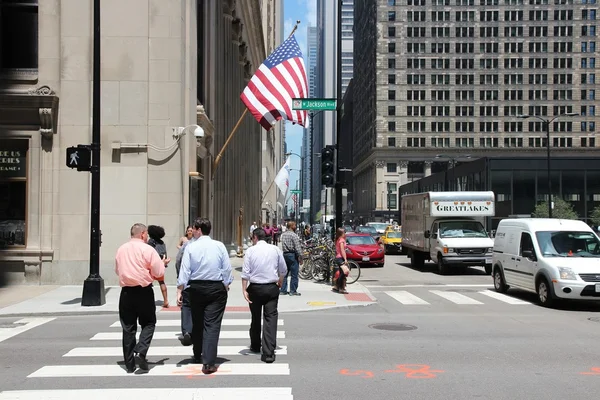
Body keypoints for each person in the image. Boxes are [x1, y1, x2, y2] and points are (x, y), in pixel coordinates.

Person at [177, 217, 233, 374]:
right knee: (212, 325)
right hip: (216, 287)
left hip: (196, 287)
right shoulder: (219, 246)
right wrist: (226, 283)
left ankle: (197, 354)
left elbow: (185, 270)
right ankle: (208, 362)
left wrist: (180, 288)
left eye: (194, 229)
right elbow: (227, 268)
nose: (192, 231)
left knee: (197, 320)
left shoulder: (191, 247)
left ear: (199, 230)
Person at [114, 223, 166, 373]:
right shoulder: (147, 249)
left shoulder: (121, 249)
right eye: (147, 234)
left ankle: (129, 365)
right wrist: (162, 264)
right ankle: (141, 351)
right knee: (149, 322)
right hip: (144, 290)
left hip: (126, 292)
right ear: (143, 234)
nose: (147, 237)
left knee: (128, 327)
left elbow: (118, 270)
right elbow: (158, 271)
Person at [241, 227, 287, 363]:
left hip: (255, 287)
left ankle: (255, 345)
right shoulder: (275, 249)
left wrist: (244, 289)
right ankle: (268, 352)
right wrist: (280, 281)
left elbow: (245, 273)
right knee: (270, 318)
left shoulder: (250, 251)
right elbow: (283, 269)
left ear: (255, 237)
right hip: (271, 287)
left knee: (255, 317)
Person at [175, 223, 202, 346]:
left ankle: (187, 331)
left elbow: (179, 262)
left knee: (186, 306)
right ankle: (197, 332)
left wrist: (180, 284)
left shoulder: (187, 245)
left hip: (188, 282)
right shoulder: (214, 246)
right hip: (204, 283)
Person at [147, 225, 170, 308]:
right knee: (161, 282)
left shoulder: (150, 242)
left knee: (148, 284)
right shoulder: (162, 242)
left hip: (151, 265)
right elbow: (164, 254)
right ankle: (166, 300)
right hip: (161, 264)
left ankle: (148, 301)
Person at [280, 221, 303, 296]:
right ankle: (293, 291)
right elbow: (297, 247)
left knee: (285, 273)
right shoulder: (294, 235)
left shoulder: (283, 235)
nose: (295, 226)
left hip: (285, 254)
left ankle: (283, 290)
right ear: (292, 226)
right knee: (294, 274)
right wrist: (300, 257)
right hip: (292, 255)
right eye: (295, 225)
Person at [332, 227, 350, 294]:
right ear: (341, 233)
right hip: (340, 258)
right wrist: (345, 259)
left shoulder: (338, 239)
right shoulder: (341, 240)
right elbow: (342, 251)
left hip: (338, 257)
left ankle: (337, 286)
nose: (345, 233)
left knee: (342, 272)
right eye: (344, 232)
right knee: (344, 272)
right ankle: (340, 287)